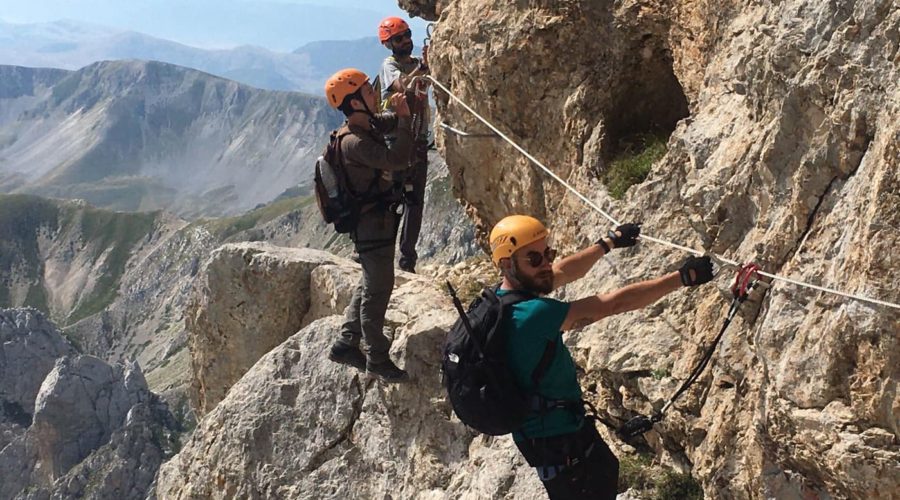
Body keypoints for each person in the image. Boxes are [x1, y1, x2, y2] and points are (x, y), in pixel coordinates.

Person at [489, 215, 714, 499]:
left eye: (548, 253)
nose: (546, 263)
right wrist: (682, 278)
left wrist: (607, 243)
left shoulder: (503, 298)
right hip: (561, 445)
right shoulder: (532, 315)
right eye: (534, 259)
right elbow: (613, 304)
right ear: (507, 264)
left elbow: (562, 272)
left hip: (551, 438)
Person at [324, 68, 414, 383]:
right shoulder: (355, 143)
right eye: (368, 90)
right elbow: (398, 158)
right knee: (379, 289)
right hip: (372, 226)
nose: (374, 93)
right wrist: (404, 120)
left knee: (369, 280)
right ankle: (377, 357)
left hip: (373, 224)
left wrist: (406, 97)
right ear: (355, 101)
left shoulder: (361, 128)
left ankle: (346, 342)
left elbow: (385, 119)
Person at [377, 15, 430, 273]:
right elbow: (402, 86)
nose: (406, 41)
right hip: (397, 140)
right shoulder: (390, 65)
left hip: (417, 139)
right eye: (399, 38)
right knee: (392, 198)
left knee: (414, 202)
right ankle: (380, 253)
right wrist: (423, 67)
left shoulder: (415, 63)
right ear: (389, 44)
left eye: (407, 34)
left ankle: (407, 260)